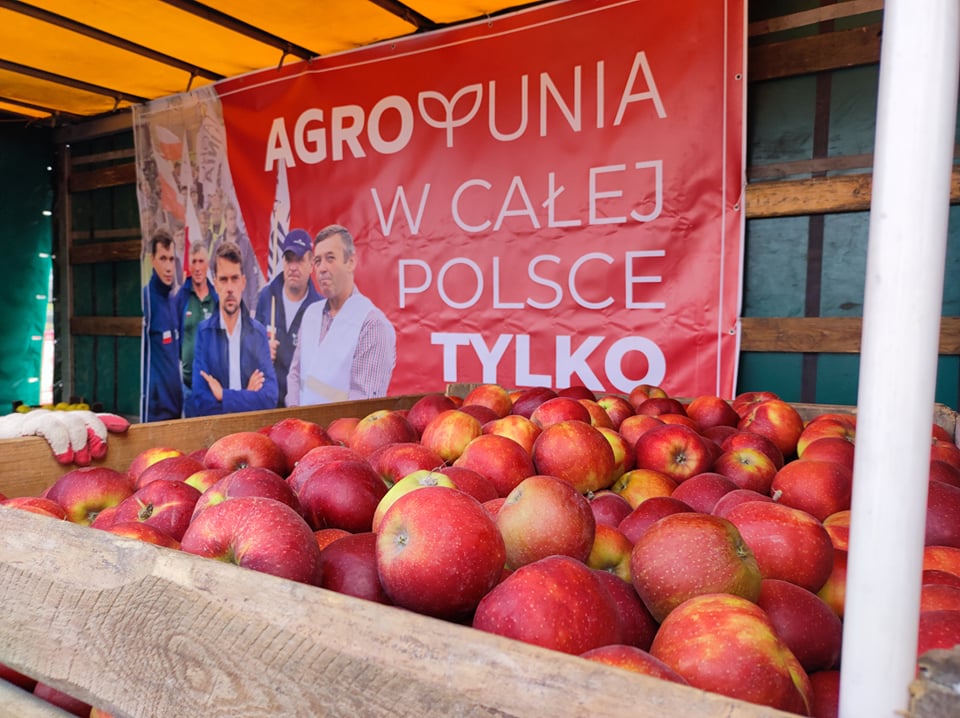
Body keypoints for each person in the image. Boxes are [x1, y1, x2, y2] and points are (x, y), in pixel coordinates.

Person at [286, 224, 396, 406]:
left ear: (350, 262)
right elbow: (295, 375)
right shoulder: (310, 314)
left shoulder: (372, 324)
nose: (321, 268)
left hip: (341, 433)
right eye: (318, 261)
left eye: (330, 258)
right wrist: (294, 418)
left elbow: (365, 405)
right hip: (302, 431)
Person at [188, 241, 278, 416]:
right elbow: (201, 401)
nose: (229, 288)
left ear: (243, 282)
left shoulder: (258, 333)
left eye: (234, 278)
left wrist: (223, 395)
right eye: (223, 279)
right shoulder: (204, 333)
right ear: (215, 284)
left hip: (251, 433)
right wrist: (249, 396)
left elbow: (269, 398)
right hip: (217, 435)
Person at [254, 228, 320, 407]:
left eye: (299, 260)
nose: (293, 267)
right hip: (266, 405)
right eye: (288, 259)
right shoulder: (266, 296)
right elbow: (249, 349)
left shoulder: (320, 309)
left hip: (300, 408)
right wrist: (261, 351)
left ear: (311, 263)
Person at [141, 230, 183, 421]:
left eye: (171, 259)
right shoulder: (146, 300)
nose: (168, 267)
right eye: (163, 259)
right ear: (152, 260)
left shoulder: (173, 300)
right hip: (155, 412)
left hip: (175, 408)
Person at [176, 242, 218, 409]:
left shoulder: (217, 298)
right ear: (189, 265)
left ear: (207, 264)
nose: (198, 267)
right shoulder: (181, 297)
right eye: (194, 262)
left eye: (201, 261)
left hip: (213, 386)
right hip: (187, 387)